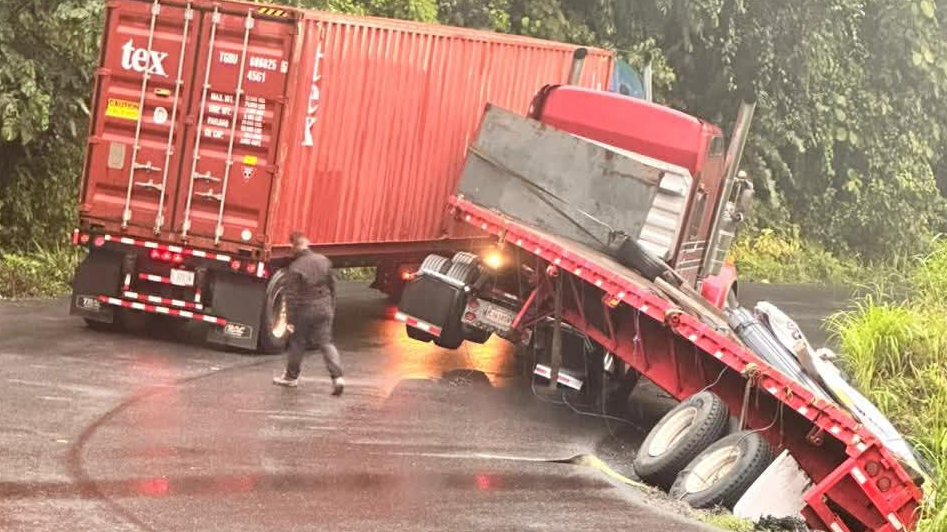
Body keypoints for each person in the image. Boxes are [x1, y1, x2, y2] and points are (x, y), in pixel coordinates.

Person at [272, 232, 344, 395]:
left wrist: (290, 320)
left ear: (294, 246)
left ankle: (291, 377)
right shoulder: (323, 260)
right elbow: (333, 286)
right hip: (324, 307)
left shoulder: (295, 267)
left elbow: (291, 297)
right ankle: (338, 377)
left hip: (305, 310)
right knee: (326, 343)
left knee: (298, 342)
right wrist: (331, 306)